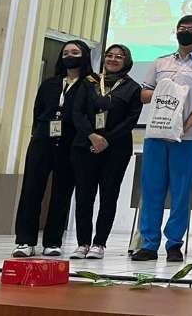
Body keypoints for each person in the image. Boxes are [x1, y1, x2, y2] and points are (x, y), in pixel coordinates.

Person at [132, 15, 192, 262]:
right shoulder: (160, 62)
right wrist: (162, 89)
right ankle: (148, 243)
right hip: (156, 134)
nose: (185, 32)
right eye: (181, 29)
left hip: (186, 138)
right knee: (151, 190)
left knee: (181, 192)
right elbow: (144, 94)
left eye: (190, 30)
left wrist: (185, 126)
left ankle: (174, 243)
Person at [12, 40, 93, 257]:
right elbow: (38, 110)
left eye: (75, 52)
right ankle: (25, 241)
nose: (70, 55)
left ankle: (53, 241)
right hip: (42, 140)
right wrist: (39, 132)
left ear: (84, 56)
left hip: (71, 141)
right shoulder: (50, 83)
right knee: (31, 189)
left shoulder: (90, 85)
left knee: (62, 191)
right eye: (66, 52)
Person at [69, 44, 142, 260]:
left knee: (109, 196)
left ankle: (99, 243)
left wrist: (106, 139)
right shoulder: (89, 82)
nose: (113, 59)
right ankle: (82, 243)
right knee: (84, 195)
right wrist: (92, 135)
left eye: (119, 56)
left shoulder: (132, 88)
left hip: (116, 149)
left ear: (126, 61)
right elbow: (77, 112)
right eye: (109, 55)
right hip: (85, 146)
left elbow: (131, 120)